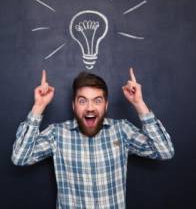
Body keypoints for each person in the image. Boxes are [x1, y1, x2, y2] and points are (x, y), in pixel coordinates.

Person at [11, 68, 174, 209]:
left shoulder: (122, 130)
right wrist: (38, 107)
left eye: (97, 101)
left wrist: (139, 103)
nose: (90, 108)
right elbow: (20, 158)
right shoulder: (57, 134)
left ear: (106, 105)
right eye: (82, 101)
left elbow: (165, 151)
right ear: (74, 105)